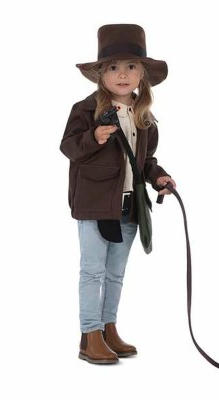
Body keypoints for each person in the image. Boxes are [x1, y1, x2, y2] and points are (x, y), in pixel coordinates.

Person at [60, 24, 176, 364]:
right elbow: (69, 147)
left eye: (130, 66)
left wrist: (159, 177)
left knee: (115, 273)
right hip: (95, 204)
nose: (122, 74)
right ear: (101, 74)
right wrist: (94, 138)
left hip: (129, 206)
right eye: (113, 67)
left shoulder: (143, 116)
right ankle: (89, 334)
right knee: (92, 271)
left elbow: (145, 161)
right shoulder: (85, 110)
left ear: (142, 74)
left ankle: (109, 328)